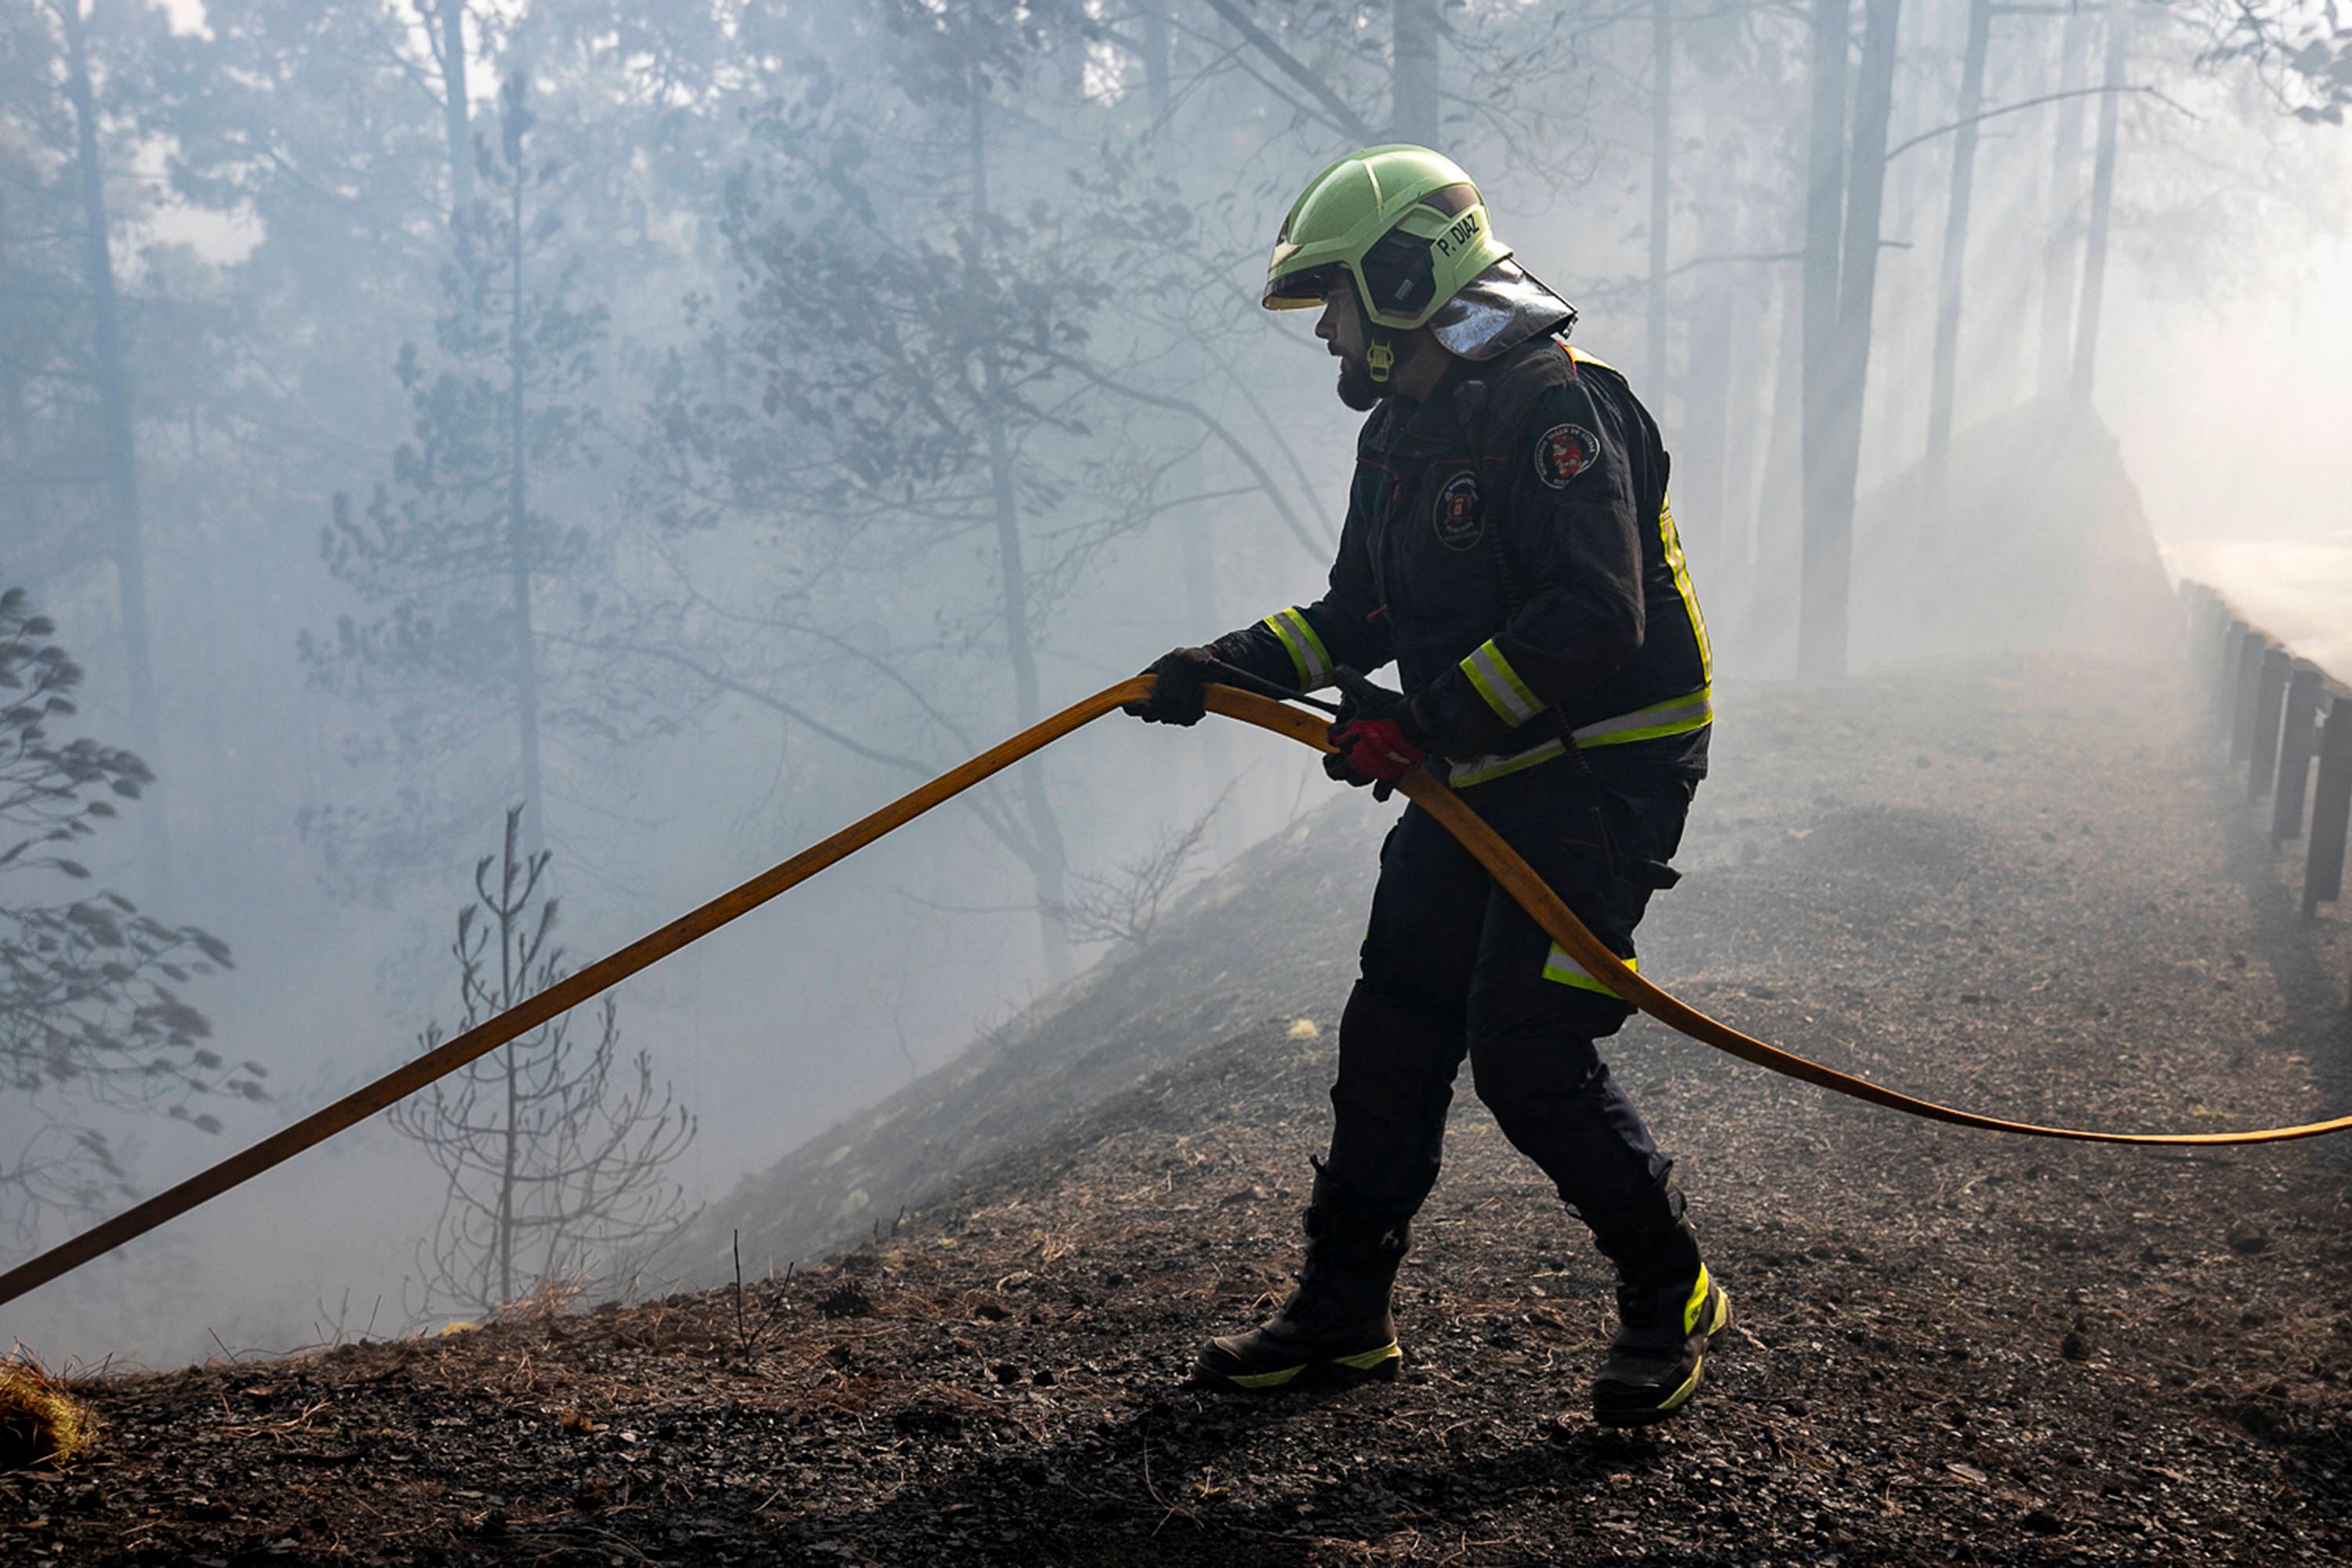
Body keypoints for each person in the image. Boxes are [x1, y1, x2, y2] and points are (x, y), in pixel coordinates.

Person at [1127, 145, 1726, 1426]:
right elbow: (1364, 611)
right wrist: (1221, 667)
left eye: (1338, 301)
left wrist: (1425, 723)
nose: (1332, 332)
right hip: (1492, 764)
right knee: (1396, 1014)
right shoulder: (1405, 432)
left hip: (1608, 771)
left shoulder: (1550, 404)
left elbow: (1595, 615)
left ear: (1408, 276)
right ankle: (1342, 1316)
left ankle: (1668, 1290)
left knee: (1524, 1044)